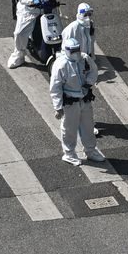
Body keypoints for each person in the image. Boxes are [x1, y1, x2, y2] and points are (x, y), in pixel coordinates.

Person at [49, 37, 105, 166]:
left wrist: (89, 83)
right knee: (69, 129)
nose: (76, 52)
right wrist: (57, 107)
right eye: (73, 50)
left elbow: (94, 70)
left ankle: (90, 151)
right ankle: (69, 154)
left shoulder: (84, 59)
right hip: (70, 103)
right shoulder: (61, 65)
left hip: (84, 99)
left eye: (77, 49)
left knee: (88, 126)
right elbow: (55, 87)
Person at [7, 0, 58, 69]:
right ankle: (19, 54)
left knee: (56, 28)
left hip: (46, 6)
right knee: (19, 33)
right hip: (29, 9)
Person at [62, 3, 99, 136]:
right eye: (85, 14)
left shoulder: (90, 26)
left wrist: (91, 61)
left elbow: (91, 44)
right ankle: (73, 124)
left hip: (84, 65)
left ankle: (86, 125)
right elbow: (65, 50)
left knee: (86, 97)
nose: (88, 17)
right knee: (74, 98)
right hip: (74, 67)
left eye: (90, 14)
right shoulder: (72, 29)